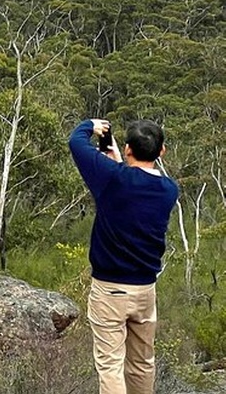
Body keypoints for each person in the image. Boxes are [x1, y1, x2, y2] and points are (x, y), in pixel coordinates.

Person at [69, 118, 179, 394]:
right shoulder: (169, 190)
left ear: (128, 148)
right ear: (162, 151)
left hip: (110, 290)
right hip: (145, 291)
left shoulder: (112, 178)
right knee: (142, 363)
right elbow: (136, 184)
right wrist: (120, 163)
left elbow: (76, 142)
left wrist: (90, 125)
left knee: (110, 365)